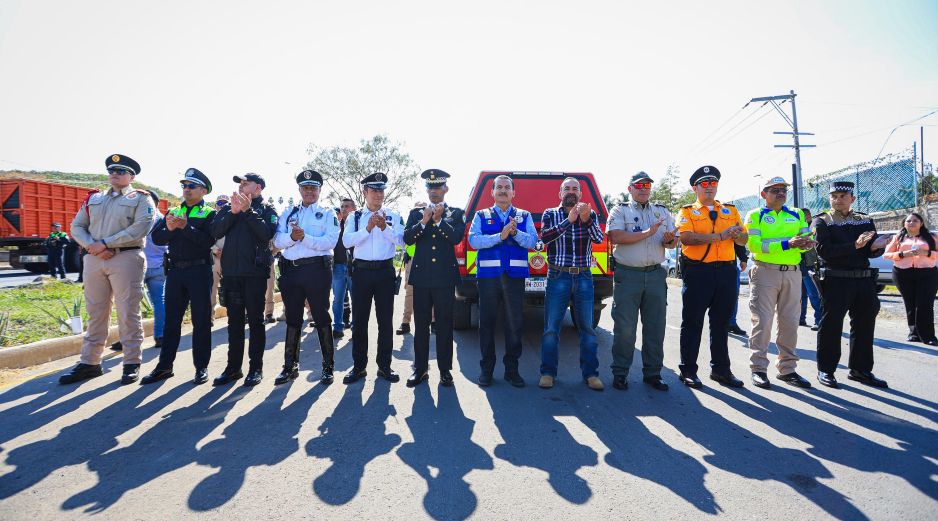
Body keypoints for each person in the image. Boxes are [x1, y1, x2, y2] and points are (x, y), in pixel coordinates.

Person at [59, 154, 155, 385]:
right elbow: (77, 226)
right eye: (112, 170)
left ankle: (131, 362)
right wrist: (93, 246)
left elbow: (141, 227)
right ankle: (90, 363)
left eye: (121, 171)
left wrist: (106, 243)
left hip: (126, 257)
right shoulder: (95, 198)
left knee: (128, 311)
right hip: (94, 258)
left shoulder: (141, 198)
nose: (115, 174)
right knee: (96, 312)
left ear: (131, 176)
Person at [141, 168, 217, 385]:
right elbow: (157, 238)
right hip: (175, 272)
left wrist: (185, 228)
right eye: (184, 185)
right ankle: (164, 366)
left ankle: (201, 367)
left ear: (203, 190)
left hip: (199, 271)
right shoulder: (173, 211)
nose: (186, 189)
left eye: (191, 186)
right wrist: (171, 228)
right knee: (171, 322)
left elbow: (207, 241)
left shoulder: (208, 214)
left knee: (201, 321)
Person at [675, 166, 748, 389]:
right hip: (699, 272)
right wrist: (719, 236)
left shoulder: (730, 210)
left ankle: (721, 370)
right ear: (695, 188)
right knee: (692, 322)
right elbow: (686, 238)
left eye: (713, 183)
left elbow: (743, 239)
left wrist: (739, 235)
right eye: (704, 184)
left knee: (721, 323)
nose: (709, 187)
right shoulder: (687, 211)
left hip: (726, 271)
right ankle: (688, 370)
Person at [813, 181, 890, 389]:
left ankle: (860, 369)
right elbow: (825, 251)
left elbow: (869, 252)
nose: (838, 200)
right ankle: (826, 370)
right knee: (831, 326)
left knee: (865, 326)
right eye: (834, 196)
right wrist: (855, 245)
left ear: (852, 199)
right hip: (836, 279)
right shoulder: (822, 221)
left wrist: (875, 248)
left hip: (864, 280)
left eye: (842, 196)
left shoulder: (864, 220)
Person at [743, 176, 815, 389]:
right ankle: (758, 369)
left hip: (792, 273)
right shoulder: (755, 215)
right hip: (765, 272)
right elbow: (755, 245)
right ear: (763, 194)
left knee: (790, 323)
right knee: (762, 322)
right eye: (774, 190)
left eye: (783, 189)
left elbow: (803, 241)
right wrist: (786, 243)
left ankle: (787, 369)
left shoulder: (797, 213)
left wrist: (806, 243)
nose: (781, 192)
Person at [606, 172, 675, 391]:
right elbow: (615, 236)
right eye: (639, 185)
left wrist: (670, 239)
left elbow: (672, 242)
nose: (644, 188)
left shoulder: (661, 211)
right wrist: (647, 233)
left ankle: (653, 373)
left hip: (655, 275)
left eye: (647, 185)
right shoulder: (620, 210)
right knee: (625, 328)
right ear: (630, 189)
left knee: (655, 327)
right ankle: (620, 373)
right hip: (628, 275)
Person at [468, 174, 538, 387]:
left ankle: (512, 370)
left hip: (514, 279)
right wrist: (500, 236)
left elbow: (533, 242)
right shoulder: (481, 215)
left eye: (507, 187)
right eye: (499, 187)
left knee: (514, 325)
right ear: (492, 192)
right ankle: (486, 370)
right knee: (487, 324)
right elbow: (473, 241)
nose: (503, 190)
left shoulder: (524, 216)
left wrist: (515, 233)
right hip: (489, 278)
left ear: (513, 192)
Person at [272, 170, 340, 385]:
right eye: (305, 187)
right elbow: (277, 240)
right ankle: (289, 366)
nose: (309, 191)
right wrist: (292, 237)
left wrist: (305, 238)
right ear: (300, 189)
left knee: (321, 316)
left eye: (313, 187)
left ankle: (328, 367)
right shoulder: (288, 212)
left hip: (317, 271)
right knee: (292, 318)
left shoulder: (328, 213)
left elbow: (330, 241)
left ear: (319, 190)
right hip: (291, 271)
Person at [210, 173, 278, 387]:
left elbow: (266, 234)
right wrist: (233, 212)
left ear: (258, 187)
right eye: (239, 184)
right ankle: (233, 369)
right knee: (235, 323)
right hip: (231, 275)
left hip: (255, 275)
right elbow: (215, 231)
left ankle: (255, 369)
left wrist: (248, 212)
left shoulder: (267, 210)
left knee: (256, 323)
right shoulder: (230, 208)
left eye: (245, 183)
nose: (241, 187)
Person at [538, 177, 605, 390]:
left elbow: (598, 239)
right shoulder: (551, 213)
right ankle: (548, 373)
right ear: (560, 193)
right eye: (567, 188)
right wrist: (570, 219)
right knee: (551, 328)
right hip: (558, 276)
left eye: (575, 188)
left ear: (580, 194)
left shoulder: (590, 214)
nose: (571, 191)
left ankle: (591, 374)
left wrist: (585, 219)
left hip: (584, 276)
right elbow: (545, 237)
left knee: (587, 328)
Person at [341, 172, 405, 384]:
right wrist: (367, 229)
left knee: (385, 321)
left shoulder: (393, 216)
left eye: (381, 190)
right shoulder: (355, 217)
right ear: (365, 192)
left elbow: (402, 241)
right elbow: (347, 242)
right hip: (361, 273)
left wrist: (384, 228)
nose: (378, 194)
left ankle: (384, 366)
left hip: (385, 272)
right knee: (359, 322)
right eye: (374, 190)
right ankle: (359, 367)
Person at [403, 169, 465, 387]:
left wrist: (439, 222)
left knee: (445, 326)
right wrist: (424, 221)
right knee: (420, 327)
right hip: (421, 279)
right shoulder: (416, 213)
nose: (434, 191)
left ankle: (445, 370)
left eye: (438, 187)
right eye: (430, 188)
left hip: (444, 279)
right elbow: (408, 238)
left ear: (445, 189)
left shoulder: (456, 213)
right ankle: (420, 369)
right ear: (426, 190)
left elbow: (457, 237)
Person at [883, 212, 937, 346]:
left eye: (915, 221)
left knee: (924, 304)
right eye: (908, 221)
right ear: (904, 224)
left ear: (921, 223)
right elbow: (886, 255)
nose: (911, 223)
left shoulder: (931, 237)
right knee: (910, 303)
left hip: (927, 273)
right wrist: (902, 254)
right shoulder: (899, 237)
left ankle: (928, 336)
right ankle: (913, 333)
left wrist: (927, 253)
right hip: (902, 274)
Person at [397, 201, 428, 336]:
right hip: (413, 259)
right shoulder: (415, 215)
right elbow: (406, 237)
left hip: (422, 259)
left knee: (418, 292)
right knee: (411, 292)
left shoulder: (416, 214)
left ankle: (408, 322)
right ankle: (406, 322)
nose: (419, 209)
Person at [142, 190, 167, 348]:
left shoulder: (140, 218)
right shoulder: (163, 219)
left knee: (131, 304)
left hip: (138, 266)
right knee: (160, 302)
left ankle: (129, 339)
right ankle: (160, 335)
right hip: (158, 266)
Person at [332, 197, 355, 339]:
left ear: (353, 209)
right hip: (338, 267)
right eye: (342, 206)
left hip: (354, 267)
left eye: (347, 206)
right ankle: (338, 327)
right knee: (337, 299)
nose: (343, 208)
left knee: (356, 299)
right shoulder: (335, 225)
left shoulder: (358, 225)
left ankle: (356, 327)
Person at [799, 208, 823, 331]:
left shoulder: (814, 228)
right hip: (798, 266)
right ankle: (800, 319)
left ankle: (819, 320)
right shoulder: (796, 228)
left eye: (803, 216)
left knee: (813, 294)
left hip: (810, 266)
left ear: (808, 217)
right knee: (800, 295)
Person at [209, 195, 229, 312]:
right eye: (219, 203)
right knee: (212, 287)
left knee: (234, 287)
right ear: (215, 205)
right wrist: (214, 249)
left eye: (225, 203)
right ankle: (210, 315)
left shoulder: (232, 217)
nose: (222, 206)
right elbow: (207, 237)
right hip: (216, 256)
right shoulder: (211, 218)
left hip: (231, 257)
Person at [726, 244, 749, 337]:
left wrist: (743, 258)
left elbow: (738, 240)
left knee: (733, 296)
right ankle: (720, 324)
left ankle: (731, 323)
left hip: (729, 265)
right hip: (704, 265)